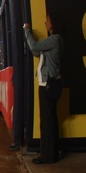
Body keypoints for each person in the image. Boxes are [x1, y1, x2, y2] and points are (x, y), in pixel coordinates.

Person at [23, 15, 63, 164]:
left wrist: (27, 31)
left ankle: (48, 155)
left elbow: (34, 47)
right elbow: (36, 52)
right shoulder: (54, 39)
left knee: (47, 121)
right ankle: (49, 152)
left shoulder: (54, 39)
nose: (45, 22)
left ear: (53, 23)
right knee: (48, 120)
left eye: (48, 20)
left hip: (49, 84)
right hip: (48, 83)